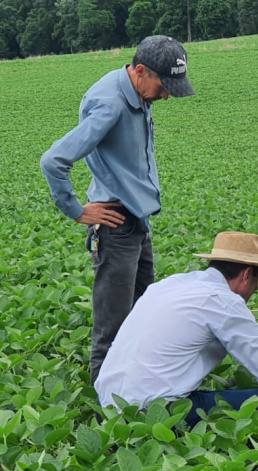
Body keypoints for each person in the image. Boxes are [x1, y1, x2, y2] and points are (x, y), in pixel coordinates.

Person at [40, 35, 195, 385]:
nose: (167, 95)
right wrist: (77, 211)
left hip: (137, 222)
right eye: (164, 85)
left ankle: (140, 390)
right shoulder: (110, 103)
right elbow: (54, 161)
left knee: (145, 315)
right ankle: (107, 415)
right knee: (112, 329)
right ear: (141, 71)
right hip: (115, 228)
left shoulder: (136, 90)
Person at [94, 232, 258, 425]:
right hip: (151, 414)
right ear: (247, 274)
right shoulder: (225, 302)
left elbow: (182, 336)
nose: (256, 288)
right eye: (257, 279)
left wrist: (255, 338)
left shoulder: (169, 284)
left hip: (108, 407)